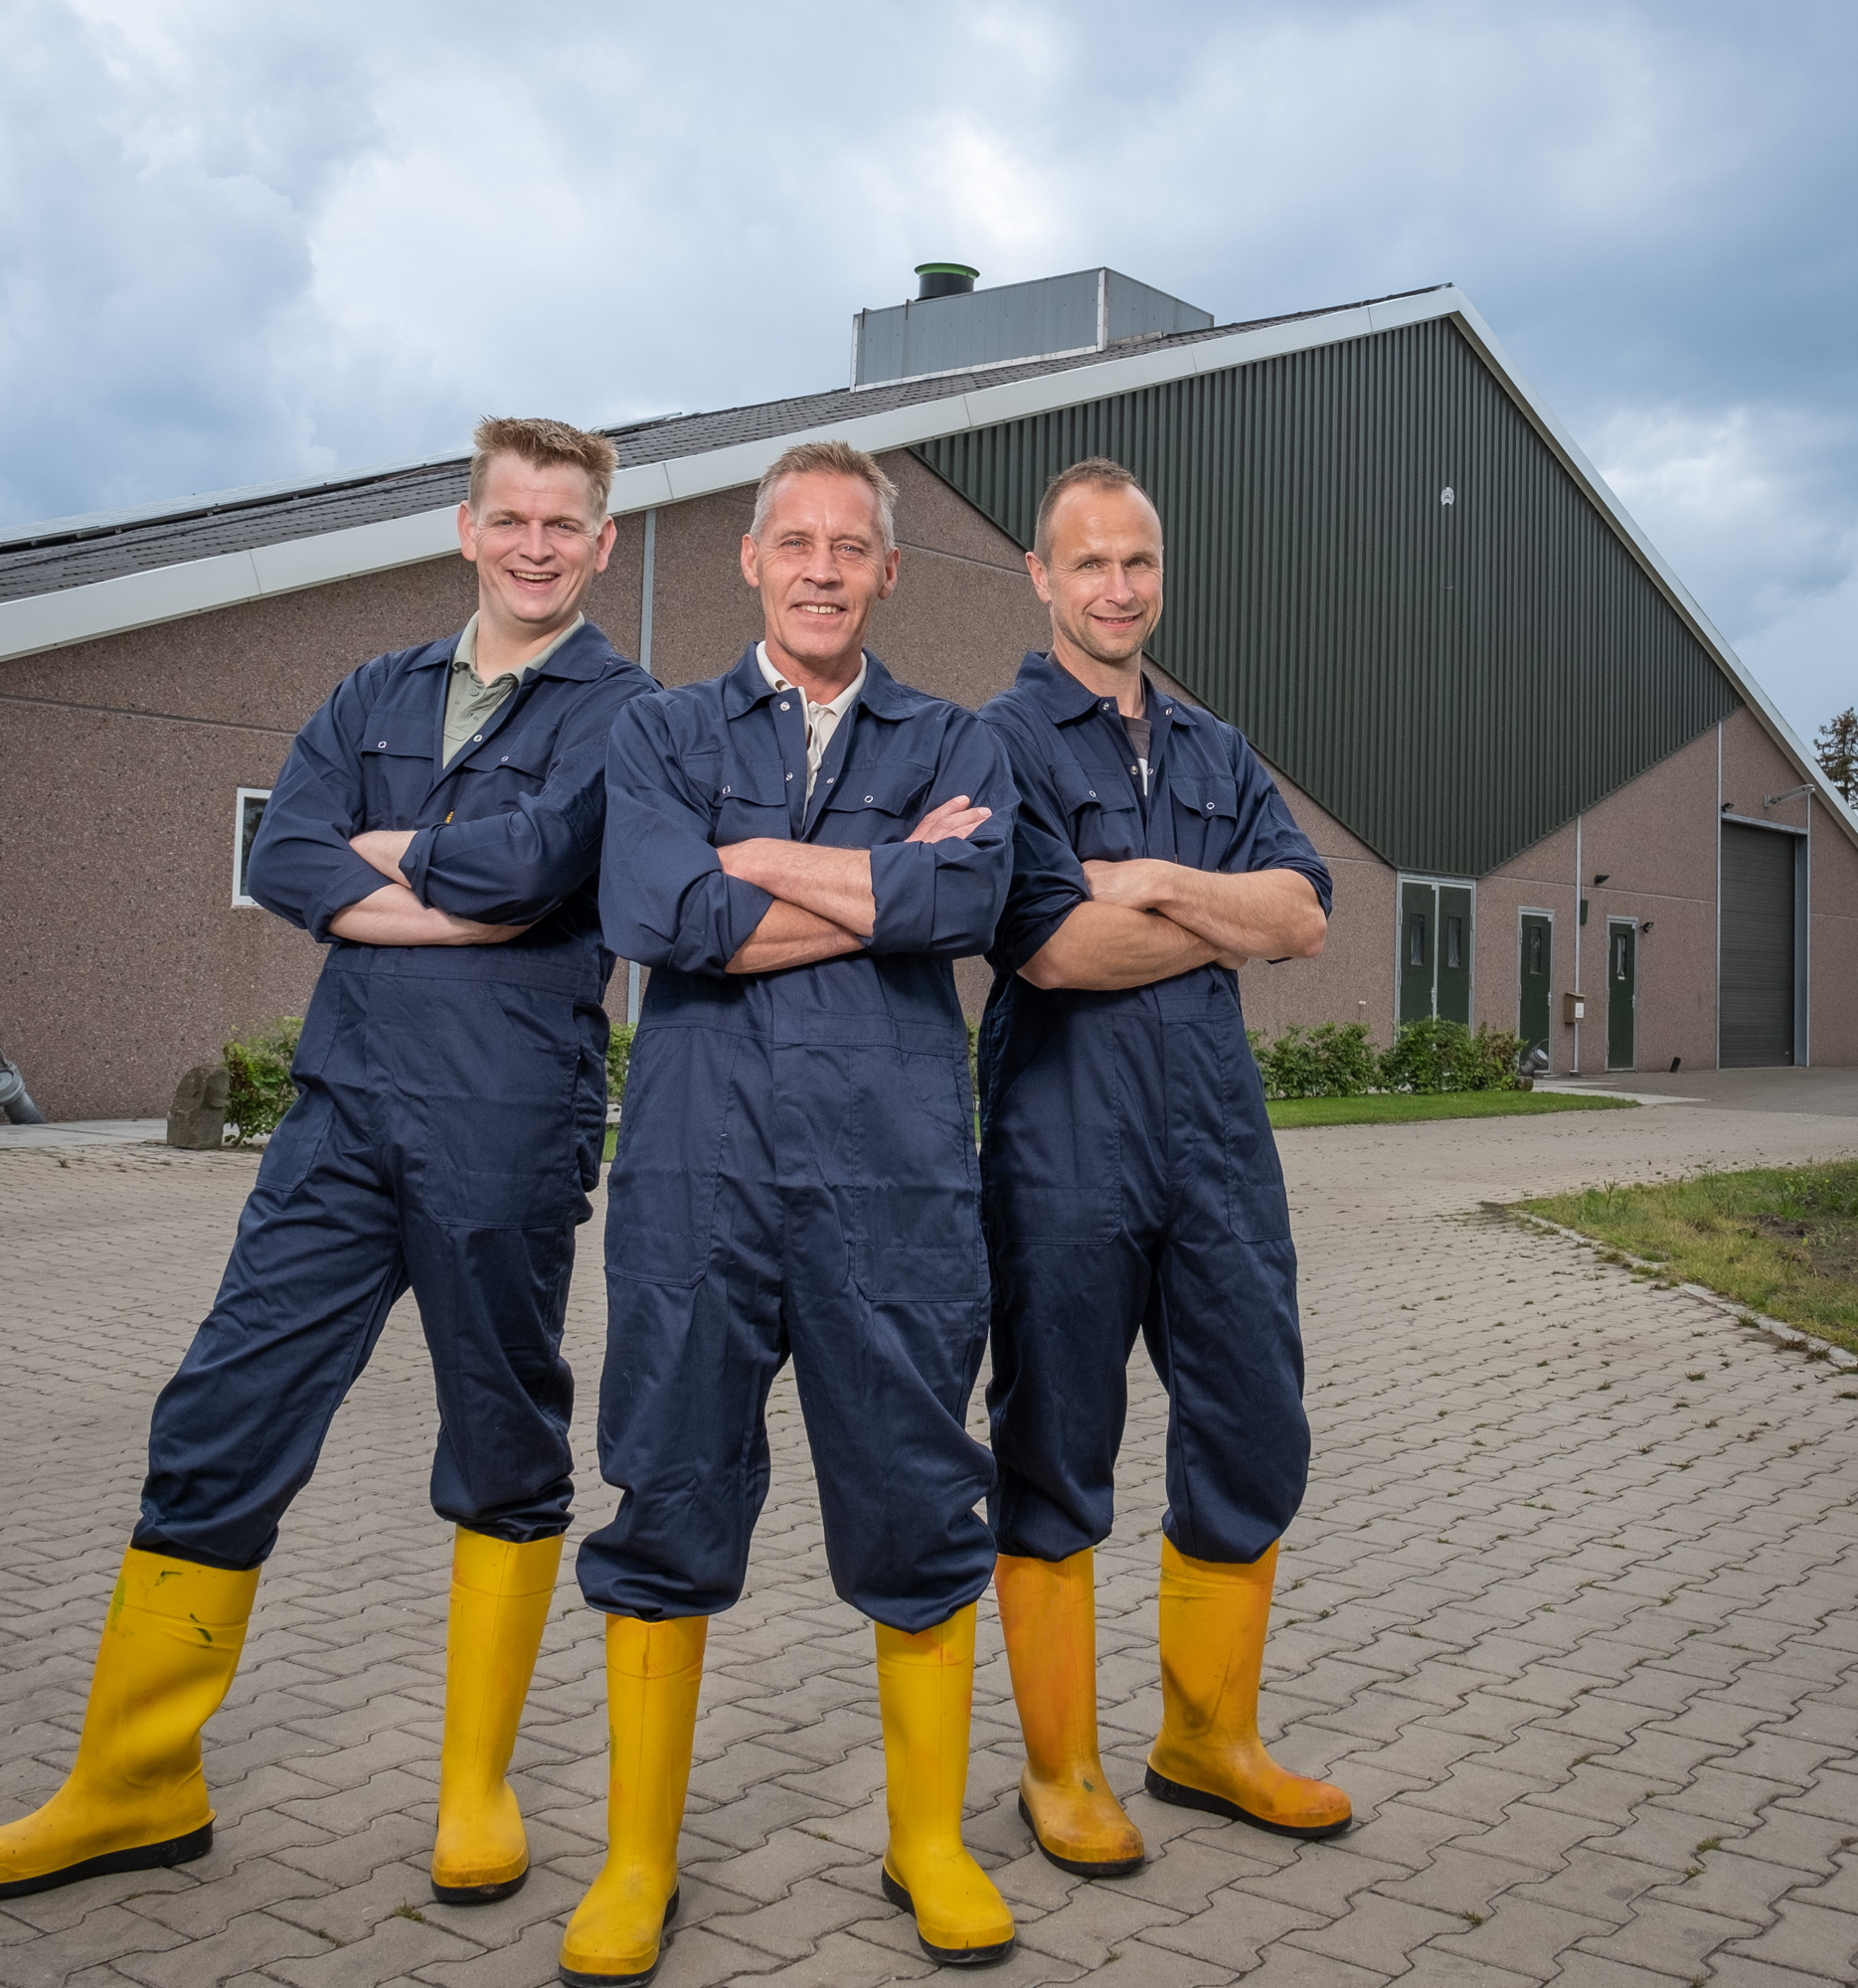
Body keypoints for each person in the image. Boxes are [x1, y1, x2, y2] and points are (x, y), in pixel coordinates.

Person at [0, 417, 654, 1907]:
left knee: (503, 1437)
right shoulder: (374, 689)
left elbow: (533, 874)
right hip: (340, 1120)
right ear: (466, 527)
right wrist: (448, 884)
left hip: (506, 1123)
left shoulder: (626, 714)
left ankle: (475, 1789)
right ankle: (135, 1779)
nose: (533, 546)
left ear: (602, 545)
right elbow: (291, 861)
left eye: (561, 525)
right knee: (219, 1410)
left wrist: (388, 863)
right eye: (509, 518)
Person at [560, 441, 1017, 1985]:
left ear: (892, 572)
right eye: (794, 542)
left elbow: (969, 908)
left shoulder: (959, 739)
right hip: (698, 1182)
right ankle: (636, 1863)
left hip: (893, 1187)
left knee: (914, 1491)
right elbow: (659, 915)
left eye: (853, 547)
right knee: (667, 1488)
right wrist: (870, 882)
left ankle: (929, 1844)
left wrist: (757, 860)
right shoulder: (662, 730)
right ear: (750, 559)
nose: (823, 567)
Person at [975, 457, 1350, 1879]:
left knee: (1256, 1424)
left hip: (1214, 1143)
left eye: (1137, 562)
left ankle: (1208, 1743)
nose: (1117, 588)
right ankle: (1060, 1769)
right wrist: (1225, 916)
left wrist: (1156, 883)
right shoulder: (996, 744)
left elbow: (1307, 917)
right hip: (1062, 1141)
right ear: (1042, 576)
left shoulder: (1216, 749)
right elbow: (1055, 945)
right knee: (1056, 1445)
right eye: (1090, 564)